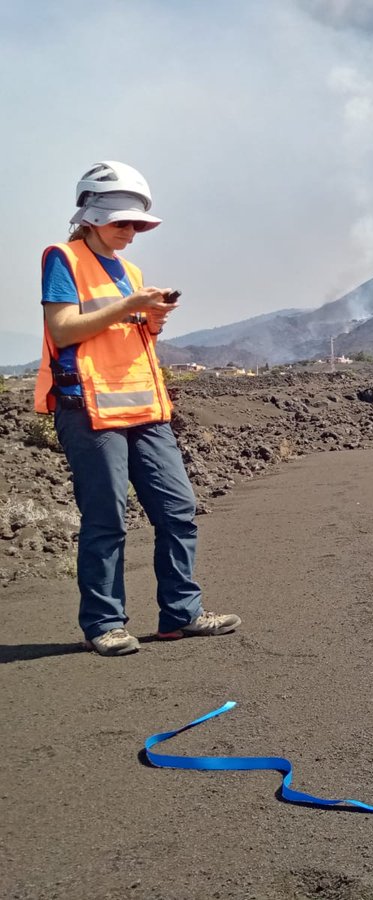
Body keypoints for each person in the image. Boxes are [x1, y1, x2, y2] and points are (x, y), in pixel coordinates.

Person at [35, 160, 241, 656]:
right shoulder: (63, 259)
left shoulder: (130, 272)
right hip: (88, 408)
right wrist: (129, 309)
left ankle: (182, 615)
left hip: (144, 408)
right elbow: (62, 329)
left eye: (136, 224)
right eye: (121, 222)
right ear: (90, 216)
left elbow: (123, 335)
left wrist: (151, 320)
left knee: (179, 510)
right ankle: (105, 623)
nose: (130, 232)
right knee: (107, 518)